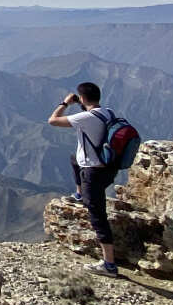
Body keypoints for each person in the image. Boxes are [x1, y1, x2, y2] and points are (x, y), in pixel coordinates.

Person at [47, 81, 120, 276]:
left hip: (93, 173)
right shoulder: (108, 112)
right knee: (74, 159)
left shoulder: (85, 117)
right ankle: (79, 194)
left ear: (81, 99)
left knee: (97, 216)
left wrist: (64, 103)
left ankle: (109, 264)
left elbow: (52, 121)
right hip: (109, 168)